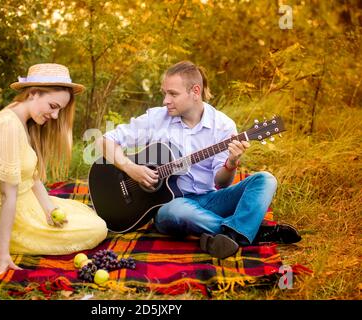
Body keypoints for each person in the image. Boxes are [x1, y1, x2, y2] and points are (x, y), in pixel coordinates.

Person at [100, 61, 301, 259]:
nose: (165, 101)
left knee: (265, 180)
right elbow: (105, 140)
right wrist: (130, 167)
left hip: (209, 201)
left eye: (173, 94)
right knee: (178, 211)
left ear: (195, 91)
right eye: (165, 93)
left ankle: (232, 235)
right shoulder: (156, 118)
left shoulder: (222, 126)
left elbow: (221, 183)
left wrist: (231, 163)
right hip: (170, 206)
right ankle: (247, 232)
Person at [0, 63, 107, 281]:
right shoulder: (7, 126)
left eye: (59, 110)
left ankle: (46, 212)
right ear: (34, 93)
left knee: (86, 214)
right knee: (97, 229)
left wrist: (47, 209)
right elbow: (9, 195)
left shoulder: (21, 120)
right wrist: (1, 258)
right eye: (53, 106)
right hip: (15, 221)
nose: (55, 116)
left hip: (27, 205)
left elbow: (32, 175)